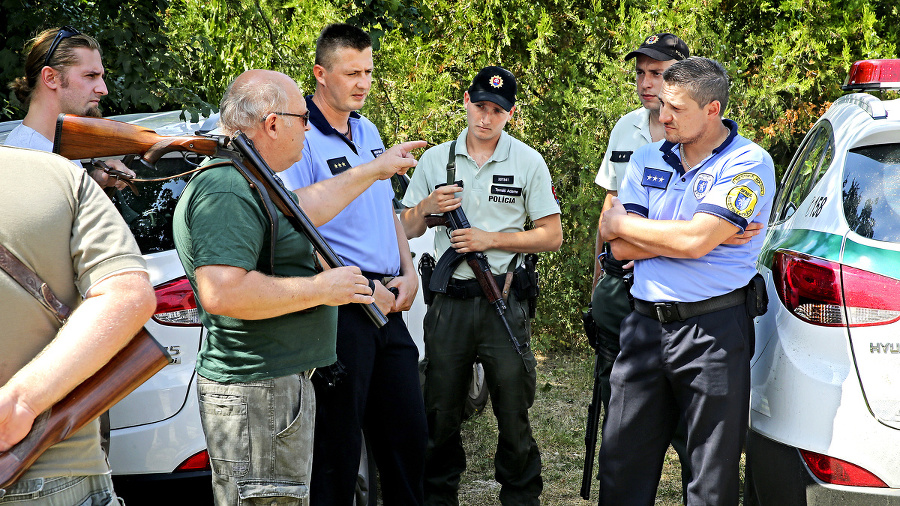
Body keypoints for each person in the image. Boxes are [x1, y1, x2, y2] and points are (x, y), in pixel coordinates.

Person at [172, 69, 424, 505]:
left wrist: (376, 170)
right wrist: (324, 288)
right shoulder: (226, 188)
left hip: (276, 391)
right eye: (302, 118)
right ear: (272, 123)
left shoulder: (255, 179)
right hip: (258, 395)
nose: (308, 127)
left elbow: (312, 204)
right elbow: (223, 293)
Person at [597, 57, 775, 505]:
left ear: (712, 109)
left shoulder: (749, 163)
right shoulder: (645, 156)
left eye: (676, 108)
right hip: (642, 328)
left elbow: (693, 241)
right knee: (620, 470)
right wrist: (700, 233)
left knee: (710, 482)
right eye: (661, 105)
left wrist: (631, 225)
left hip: (713, 333)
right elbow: (617, 248)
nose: (663, 116)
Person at [277, 24, 427, 506]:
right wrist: (364, 288)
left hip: (390, 304)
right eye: (351, 73)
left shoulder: (367, 129)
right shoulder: (300, 134)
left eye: (368, 72)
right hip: (342, 306)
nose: (362, 83)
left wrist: (409, 271)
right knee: (337, 451)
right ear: (321, 74)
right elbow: (298, 222)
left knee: (406, 439)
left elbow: (386, 209)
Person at [400, 65, 563, 505]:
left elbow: (551, 234)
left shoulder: (528, 161)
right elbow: (405, 228)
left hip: (502, 302)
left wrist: (492, 239)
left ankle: (521, 495)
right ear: (466, 102)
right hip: (448, 304)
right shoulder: (436, 160)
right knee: (439, 412)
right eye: (480, 106)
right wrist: (428, 207)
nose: (486, 117)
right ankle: (437, 496)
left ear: (509, 114)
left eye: (497, 110)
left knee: (513, 411)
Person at [0, 145, 156, 504]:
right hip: (48, 470)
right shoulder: (58, 176)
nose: (102, 88)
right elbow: (128, 295)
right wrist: (22, 403)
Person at [590, 32, 692, 496]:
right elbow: (610, 208)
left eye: (658, 74)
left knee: (689, 426)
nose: (646, 83)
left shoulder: (701, 130)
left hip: (677, 291)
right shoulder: (625, 128)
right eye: (641, 73)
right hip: (622, 286)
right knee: (623, 402)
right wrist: (599, 281)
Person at [5, 26, 134, 189]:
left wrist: (95, 183)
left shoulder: (52, 148)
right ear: (51, 78)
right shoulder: (29, 158)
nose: (103, 89)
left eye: (101, 77)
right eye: (90, 76)